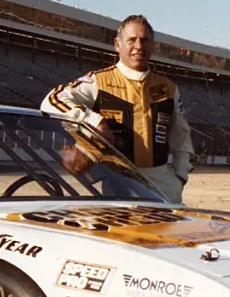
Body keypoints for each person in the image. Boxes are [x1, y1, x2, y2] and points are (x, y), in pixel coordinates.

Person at [40, 15, 194, 203]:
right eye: (131, 40)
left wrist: (179, 177)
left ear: (152, 46)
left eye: (144, 40)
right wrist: (93, 121)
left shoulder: (168, 88)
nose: (138, 46)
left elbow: (182, 137)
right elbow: (52, 100)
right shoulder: (99, 82)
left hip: (163, 186)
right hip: (119, 184)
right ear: (117, 44)